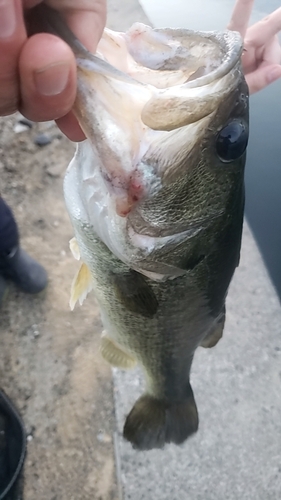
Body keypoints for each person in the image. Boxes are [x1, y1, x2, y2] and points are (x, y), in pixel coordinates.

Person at [0, 0, 280, 498]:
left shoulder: (141, 231)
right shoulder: (138, 221)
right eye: (230, 141)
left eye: (228, 144)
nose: (229, 139)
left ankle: (166, 393)